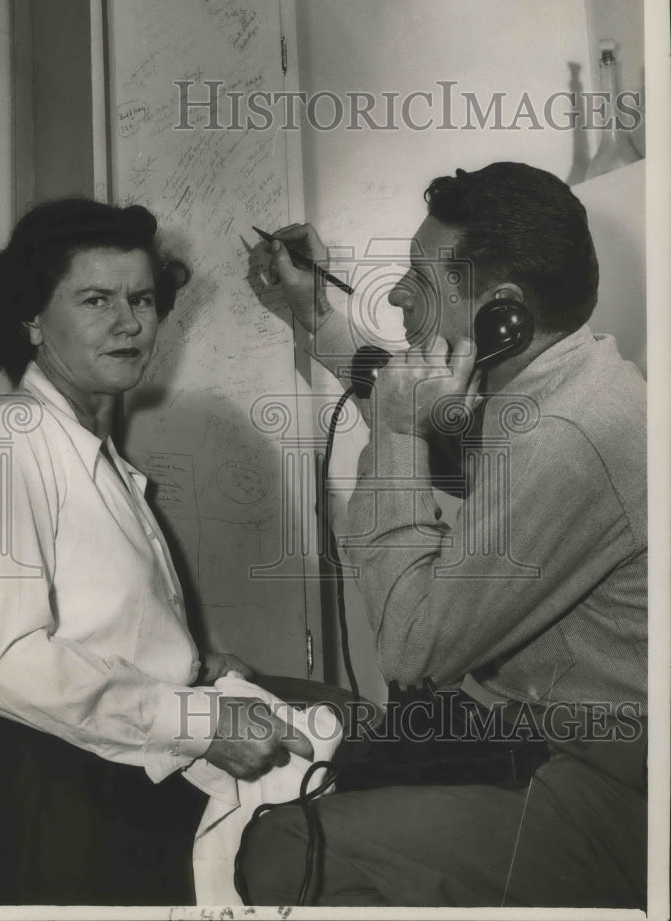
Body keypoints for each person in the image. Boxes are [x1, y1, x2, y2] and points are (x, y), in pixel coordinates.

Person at [241, 163, 647, 907]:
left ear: (503, 314)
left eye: (419, 282)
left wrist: (396, 432)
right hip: (557, 746)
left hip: (622, 792)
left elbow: (412, 650)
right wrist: (310, 314)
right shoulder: (567, 380)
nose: (396, 295)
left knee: (285, 849)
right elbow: (448, 435)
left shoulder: (567, 436)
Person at [0, 198, 312, 906]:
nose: (129, 322)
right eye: (95, 299)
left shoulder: (86, 453)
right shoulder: (11, 446)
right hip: (49, 807)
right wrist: (197, 719)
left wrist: (193, 664)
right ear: (33, 319)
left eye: (142, 299)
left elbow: (95, 622)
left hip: (112, 785)